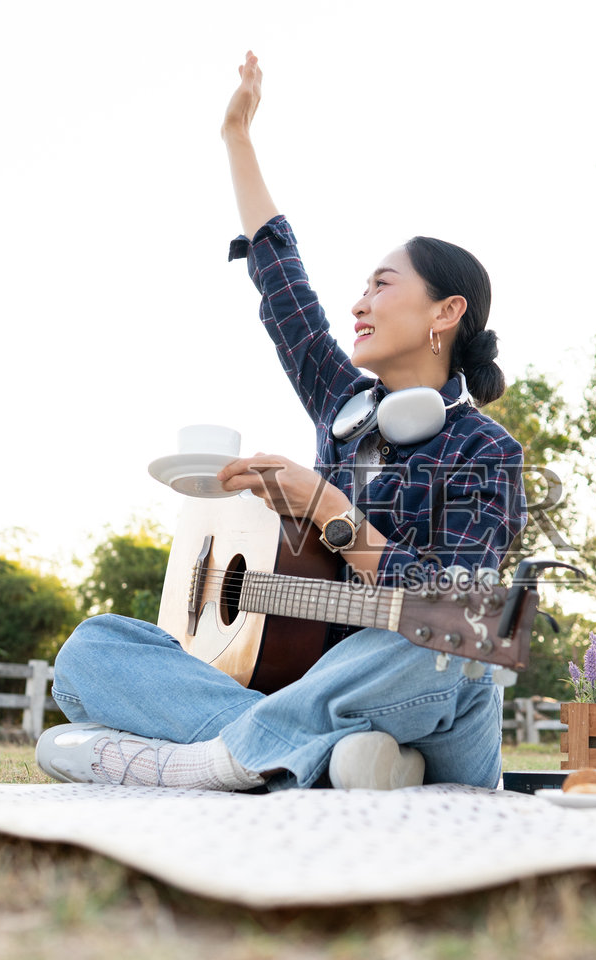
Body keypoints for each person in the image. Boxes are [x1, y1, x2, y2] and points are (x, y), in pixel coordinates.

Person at [35, 52, 527, 792]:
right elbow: (284, 286)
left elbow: (450, 611)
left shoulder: (486, 451)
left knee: (467, 629)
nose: (358, 302)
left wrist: (327, 509)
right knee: (91, 650)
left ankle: (214, 760)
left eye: (381, 285)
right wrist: (237, 138)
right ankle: (331, 760)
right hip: (318, 686)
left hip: (422, 685)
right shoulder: (343, 408)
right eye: (359, 288)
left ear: (444, 313)